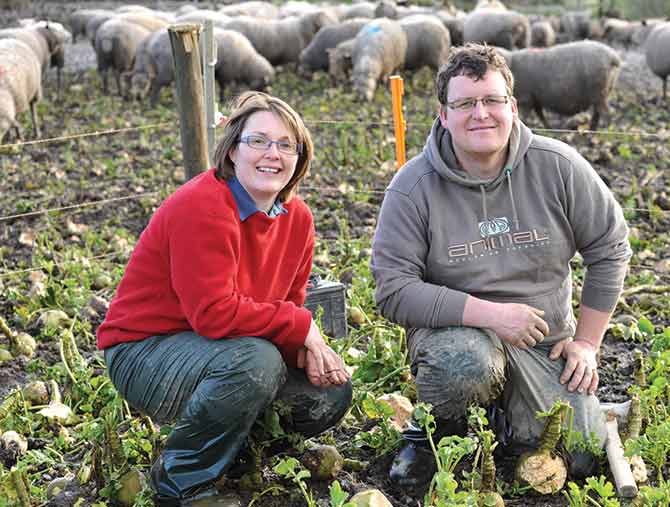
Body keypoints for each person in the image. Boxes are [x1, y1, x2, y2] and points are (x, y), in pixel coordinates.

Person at [370, 43, 632, 488]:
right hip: (455, 336)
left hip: (543, 341)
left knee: (582, 456)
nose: (481, 114)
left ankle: (504, 416)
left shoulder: (558, 166)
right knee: (463, 364)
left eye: (492, 100)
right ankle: (437, 434)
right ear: (443, 113)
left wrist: (586, 343)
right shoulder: (412, 187)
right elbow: (392, 290)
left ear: (512, 105)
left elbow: (611, 247)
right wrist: (490, 315)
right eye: (466, 103)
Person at [97, 91, 352, 507]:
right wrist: (303, 327)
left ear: (299, 158)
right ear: (233, 149)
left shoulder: (298, 219)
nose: (273, 154)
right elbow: (214, 314)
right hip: (144, 350)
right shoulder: (202, 205)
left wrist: (306, 348)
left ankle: (230, 459)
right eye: (259, 141)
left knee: (329, 392)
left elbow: (287, 303)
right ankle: (181, 483)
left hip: (224, 347)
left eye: (287, 145)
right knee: (255, 361)